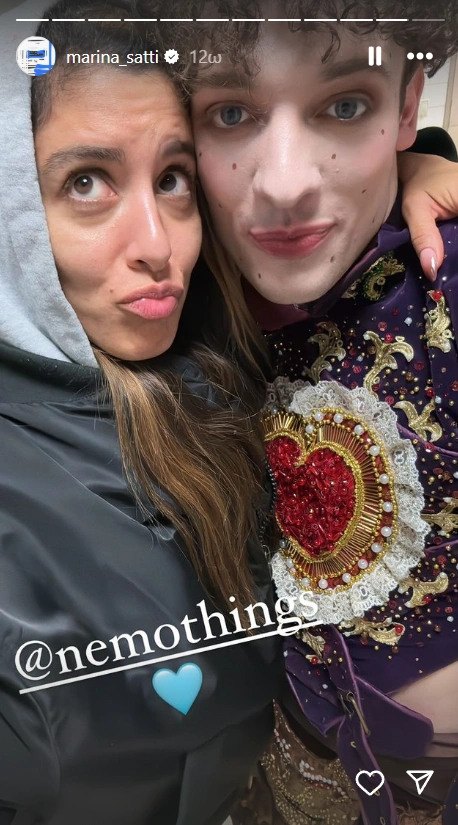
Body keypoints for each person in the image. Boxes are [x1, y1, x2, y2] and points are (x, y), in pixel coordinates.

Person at [155, 2, 458, 823]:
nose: (285, 182)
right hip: (275, 761)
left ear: (407, 104)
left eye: (346, 104)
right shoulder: (173, 303)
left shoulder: (442, 289)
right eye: (231, 113)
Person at [0, 4, 286, 824]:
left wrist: (418, 169)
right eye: (86, 183)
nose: (158, 244)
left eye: (172, 179)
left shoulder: (229, 350)